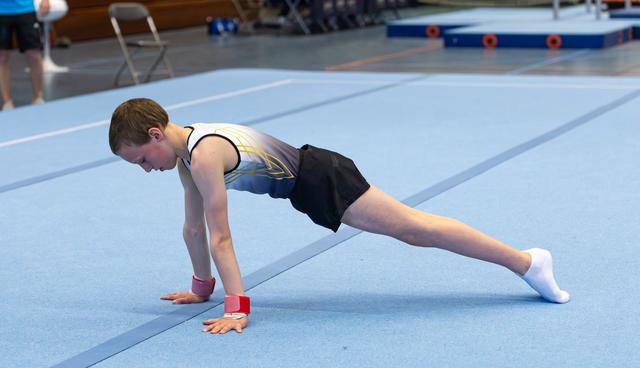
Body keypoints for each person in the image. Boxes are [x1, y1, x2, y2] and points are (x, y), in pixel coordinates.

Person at [108, 98, 571, 335]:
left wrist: (237, 308)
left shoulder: (204, 154)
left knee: (415, 229)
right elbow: (192, 227)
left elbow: (220, 237)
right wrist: (200, 290)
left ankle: (527, 262)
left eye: (141, 160)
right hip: (308, 181)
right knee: (413, 229)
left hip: (320, 177)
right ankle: (525, 262)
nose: (146, 170)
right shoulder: (188, 151)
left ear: (154, 134)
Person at [0, 0, 49, 111]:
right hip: (1, 12)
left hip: (26, 10)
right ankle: (7, 102)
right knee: (2, 57)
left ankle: (38, 98)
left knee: (33, 54)